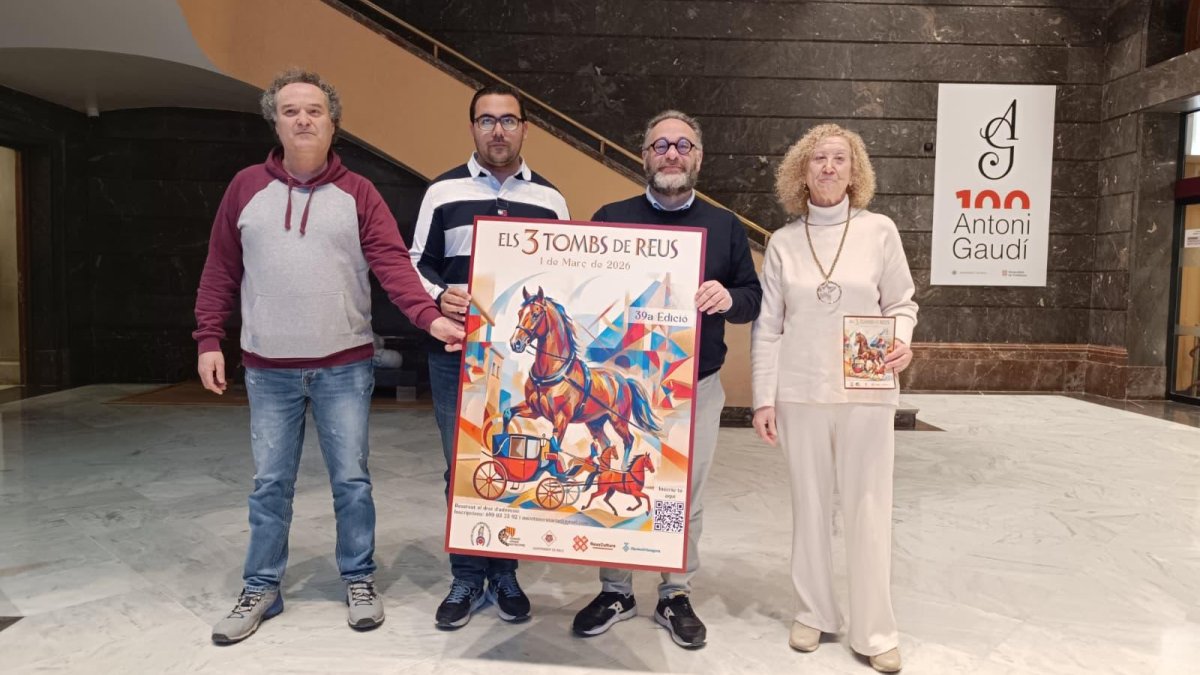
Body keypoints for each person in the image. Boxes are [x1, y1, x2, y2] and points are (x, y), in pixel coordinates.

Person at [193, 68, 464, 645]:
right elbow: (220, 268)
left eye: (314, 110)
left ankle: (359, 578)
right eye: (291, 110)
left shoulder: (359, 193)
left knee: (351, 480)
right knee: (270, 483)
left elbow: (394, 265)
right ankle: (261, 586)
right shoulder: (244, 188)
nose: (303, 120)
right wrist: (208, 338)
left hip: (344, 364)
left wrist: (431, 317)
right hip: (267, 368)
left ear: (333, 123)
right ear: (276, 121)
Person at [570, 110, 762, 649]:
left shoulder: (724, 226)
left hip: (695, 387)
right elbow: (585, 296)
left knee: (683, 492)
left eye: (682, 145)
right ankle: (616, 589)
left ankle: (675, 591)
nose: (671, 154)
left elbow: (752, 297)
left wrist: (729, 297)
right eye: (660, 146)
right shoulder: (612, 218)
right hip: (621, 387)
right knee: (615, 475)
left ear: (698, 158)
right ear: (644, 156)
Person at [750, 124, 917, 673]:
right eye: (818, 158)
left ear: (855, 170)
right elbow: (767, 327)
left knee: (870, 507)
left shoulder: (879, 231)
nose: (828, 167)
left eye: (839, 159)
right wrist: (762, 399)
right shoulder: (782, 241)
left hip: (867, 392)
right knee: (811, 506)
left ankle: (875, 630)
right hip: (799, 393)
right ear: (801, 170)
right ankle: (814, 610)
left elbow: (903, 304)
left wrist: (900, 343)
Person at [410, 84, 569, 629]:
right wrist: (438, 296)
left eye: (508, 120)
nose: (497, 129)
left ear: (526, 128)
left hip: (519, 366)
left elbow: (560, 280)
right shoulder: (442, 192)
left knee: (513, 458)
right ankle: (466, 574)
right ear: (472, 127)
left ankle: (505, 572)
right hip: (456, 355)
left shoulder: (550, 200)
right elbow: (415, 264)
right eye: (486, 120)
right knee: (463, 466)